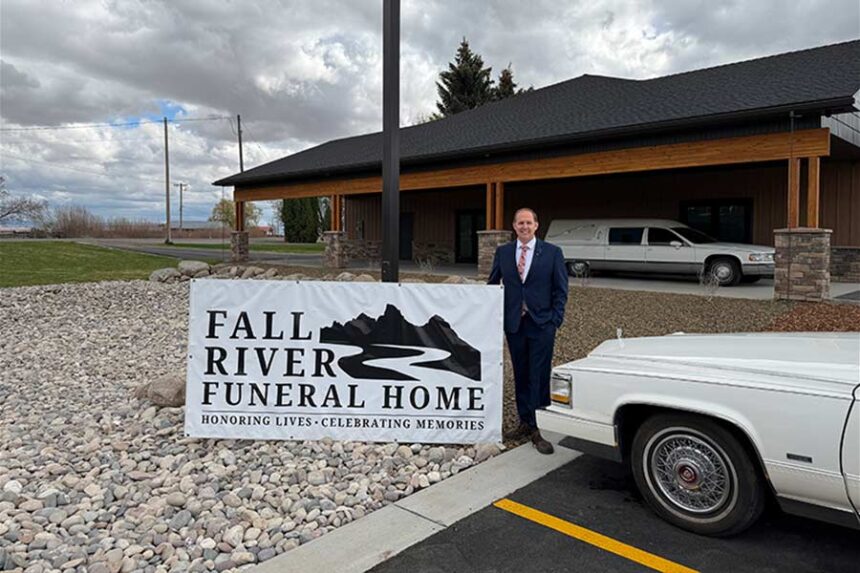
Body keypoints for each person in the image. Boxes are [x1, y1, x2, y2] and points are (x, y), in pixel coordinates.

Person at [487, 207, 568, 455]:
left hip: (542, 324)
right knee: (521, 372)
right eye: (520, 223)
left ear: (536, 225)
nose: (524, 227)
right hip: (514, 324)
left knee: (539, 374)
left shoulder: (552, 253)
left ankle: (538, 427)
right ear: (514, 226)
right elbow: (492, 285)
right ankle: (524, 420)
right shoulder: (503, 252)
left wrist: (555, 319)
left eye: (528, 223)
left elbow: (561, 289)